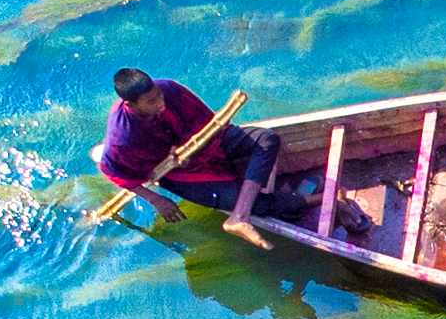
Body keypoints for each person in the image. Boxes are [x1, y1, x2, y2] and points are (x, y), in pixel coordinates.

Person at [94, 67, 310, 223]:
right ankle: (315, 199)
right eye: (151, 102)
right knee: (260, 205)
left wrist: (185, 147)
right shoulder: (122, 138)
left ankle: (240, 214)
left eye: (158, 95)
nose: (160, 103)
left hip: (205, 144)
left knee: (267, 139)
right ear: (131, 105)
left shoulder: (168, 89)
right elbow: (114, 172)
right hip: (177, 173)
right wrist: (155, 199)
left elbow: (205, 124)